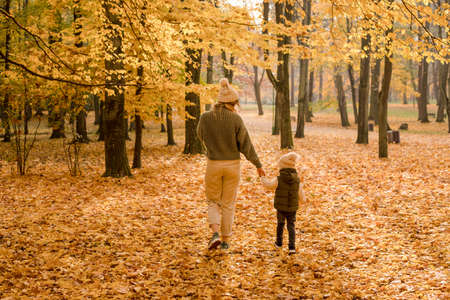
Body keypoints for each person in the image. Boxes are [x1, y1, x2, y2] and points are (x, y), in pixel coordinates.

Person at [197, 78, 265, 250]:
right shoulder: (236, 119)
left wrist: (212, 147)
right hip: (233, 165)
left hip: (213, 164)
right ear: (233, 103)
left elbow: (200, 135)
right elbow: (246, 144)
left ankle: (214, 233)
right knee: (228, 204)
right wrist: (258, 164)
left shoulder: (205, 117)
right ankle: (226, 240)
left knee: (213, 201)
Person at [261, 152, 305, 254]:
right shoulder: (297, 180)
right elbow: (301, 193)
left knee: (280, 224)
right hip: (292, 207)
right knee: (291, 225)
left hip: (281, 207)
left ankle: (279, 243)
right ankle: (292, 247)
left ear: (281, 166)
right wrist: (303, 200)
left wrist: (262, 177)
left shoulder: (279, 179)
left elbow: (268, 185)